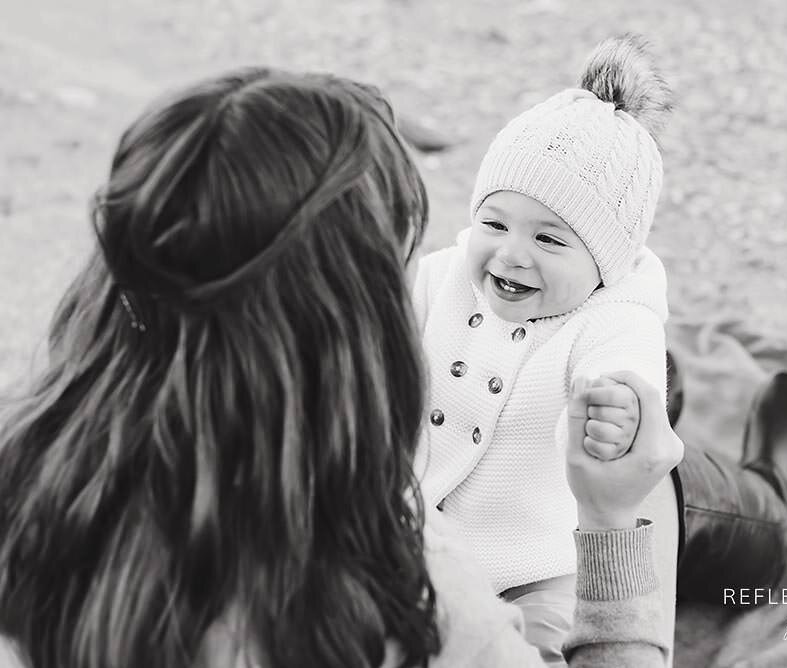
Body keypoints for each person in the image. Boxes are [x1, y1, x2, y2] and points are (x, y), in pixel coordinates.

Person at [0, 66, 682, 668]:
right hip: (511, 554)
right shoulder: (424, 609)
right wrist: (611, 525)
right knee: (660, 487)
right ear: (352, 336)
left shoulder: (32, 473)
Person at [412, 34, 673, 664]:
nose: (510, 253)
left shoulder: (610, 314)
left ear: (604, 262)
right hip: (417, 533)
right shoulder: (440, 277)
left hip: (536, 563)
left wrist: (618, 406)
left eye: (550, 240)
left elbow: (630, 366)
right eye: (495, 223)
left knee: (552, 640)